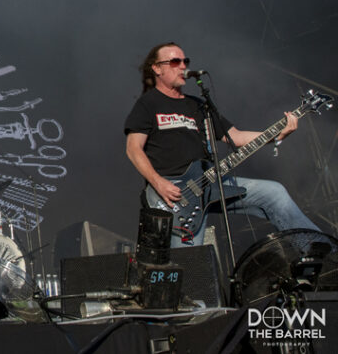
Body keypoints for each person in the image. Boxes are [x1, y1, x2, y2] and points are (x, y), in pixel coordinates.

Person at [124, 41, 320, 248]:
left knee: (274, 193)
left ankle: (317, 249)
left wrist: (278, 133)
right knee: (191, 263)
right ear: (157, 68)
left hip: (211, 181)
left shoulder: (199, 105)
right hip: (175, 194)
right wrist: (158, 182)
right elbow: (133, 148)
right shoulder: (148, 103)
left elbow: (235, 136)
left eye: (185, 61)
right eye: (174, 61)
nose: (182, 66)